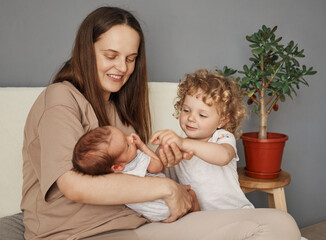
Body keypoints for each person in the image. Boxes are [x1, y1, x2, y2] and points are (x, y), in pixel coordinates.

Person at [21, 6, 301, 240]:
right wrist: (168, 189)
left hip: (135, 221)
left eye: (130, 59)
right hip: (82, 232)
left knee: (279, 223)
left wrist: (169, 166)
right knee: (277, 226)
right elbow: (74, 186)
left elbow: (139, 171)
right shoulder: (60, 97)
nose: (122, 68)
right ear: (85, 50)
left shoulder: (117, 108)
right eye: (111, 56)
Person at [151, 69, 254, 211]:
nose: (191, 118)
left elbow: (223, 156)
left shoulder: (221, 137)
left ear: (222, 121)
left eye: (202, 115)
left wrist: (183, 143)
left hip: (234, 213)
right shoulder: (179, 146)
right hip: (201, 219)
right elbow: (159, 176)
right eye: (186, 110)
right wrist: (161, 153)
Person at [72, 125, 199, 221]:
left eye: (124, 135)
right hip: (165, 203)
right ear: (117, 166)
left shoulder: (110, 177)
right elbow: (157, 166)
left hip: (151, 213)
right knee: (191, 194)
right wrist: (142, 146)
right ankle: (197, 219)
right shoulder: (137, 160)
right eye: (127, 145)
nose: (130, 139)